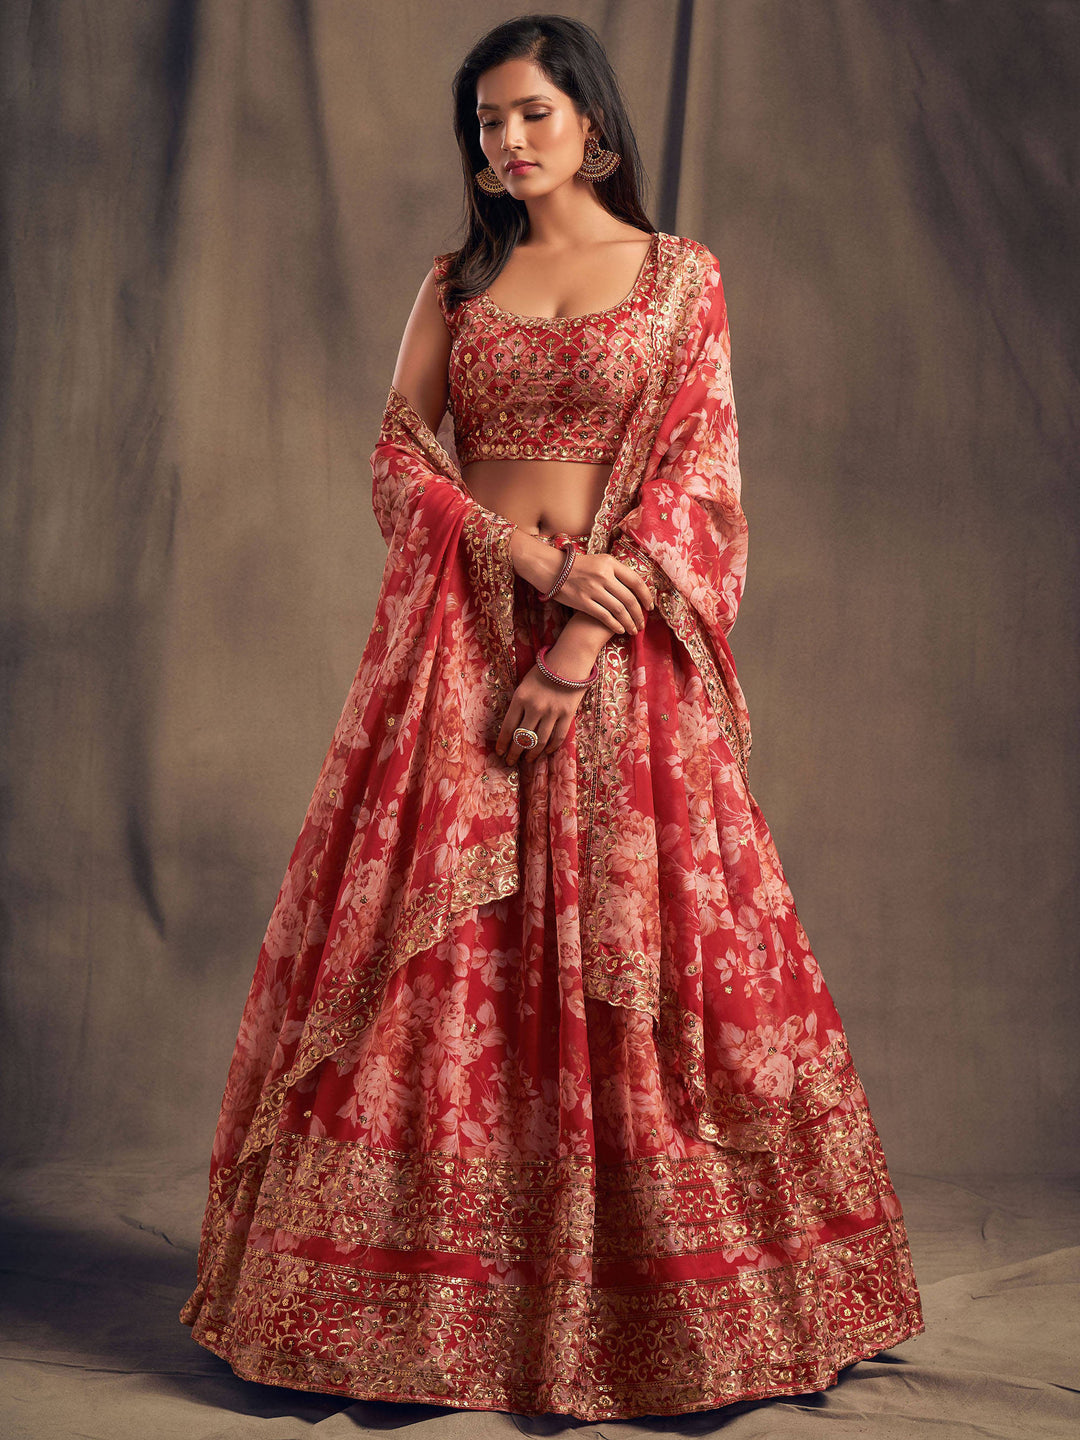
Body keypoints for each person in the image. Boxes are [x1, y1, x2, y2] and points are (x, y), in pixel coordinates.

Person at [180, 13, 924, 1423]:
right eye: (484, 125)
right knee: (434, 963)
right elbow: (398, 455)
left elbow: (699, 486)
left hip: (621, 667)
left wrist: (577, 644)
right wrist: (516, 558)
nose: (505, 144)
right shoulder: (457, 281)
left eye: (528, 114)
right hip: (453, 645)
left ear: (593, 121)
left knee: (641, 963)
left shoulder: (680, 278)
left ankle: (676, 1326)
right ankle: (407, 1318)